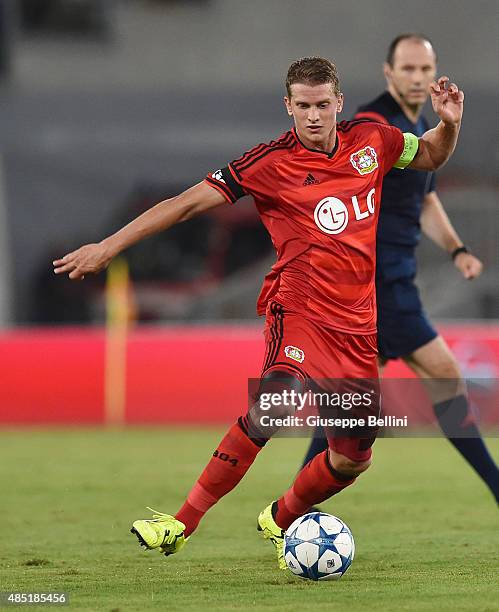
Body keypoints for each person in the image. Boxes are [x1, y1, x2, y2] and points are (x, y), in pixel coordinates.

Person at [53, 56, 465, 569]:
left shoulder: (374, 140)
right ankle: (180, 523)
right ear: (287, 106)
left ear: (338, 104)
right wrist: (109, 247)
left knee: (352, 457)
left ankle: (283, 515)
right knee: (274, 401)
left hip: (358, 326)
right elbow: (184, 204)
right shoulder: (268, 164)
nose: (313, 117)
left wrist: (448, 124)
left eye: (322, 105)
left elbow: (430, 157)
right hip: (299, 309)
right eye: (302, 106)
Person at [299, 35, 499, 505]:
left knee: (350, 410)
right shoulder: (372, 126)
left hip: (393, 280)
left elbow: (424, 199)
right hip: (377, 284)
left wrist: (457, 250)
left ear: (434, 73)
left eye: (424, 70)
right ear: (388, 72)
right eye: (407, 69)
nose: (416, 78)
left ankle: (293, 510)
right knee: (443, 377)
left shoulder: (424, 126)